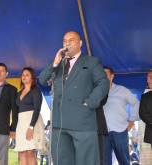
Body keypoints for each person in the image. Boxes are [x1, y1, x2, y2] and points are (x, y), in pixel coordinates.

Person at [39, 31, 109, 165]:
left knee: (86, 161)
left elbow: (103, 83)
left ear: (80, 43)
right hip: (59, 124)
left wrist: (89, 103)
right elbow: (42, 80)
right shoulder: (59, 65)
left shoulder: (91, 61)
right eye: (64, 40)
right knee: (62, 161)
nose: (67, 43)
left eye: (71, 40)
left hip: (82, 122)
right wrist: (55, 63)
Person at [103, 66, 140, 165]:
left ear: (112, 76)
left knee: (124, 161)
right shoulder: (98, 92)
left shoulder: (122, 91)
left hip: (120, 132)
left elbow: (135, 103)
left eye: (106, 74)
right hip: (103, 133)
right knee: (104, 162)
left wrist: (132, 121)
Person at [14, 67, 43, 165]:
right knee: (22, 152)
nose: (24, 77)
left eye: (27, 75)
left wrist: (31, 127)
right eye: (23, 75)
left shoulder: (36, 91)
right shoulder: (18, 93)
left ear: (32, 78)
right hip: (21, 123)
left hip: (32, 123)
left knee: (30, 152)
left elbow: (37, 110)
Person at [139, 69, 152, 147]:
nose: (148, 80)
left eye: (151, 77)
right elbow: (142, 114)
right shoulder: (145, 96)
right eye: (147, 78)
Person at [96, 97, 108, 165]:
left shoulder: (100, 87)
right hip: (78, 128)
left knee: (100, 159)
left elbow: (102, 99)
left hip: (98, 129)